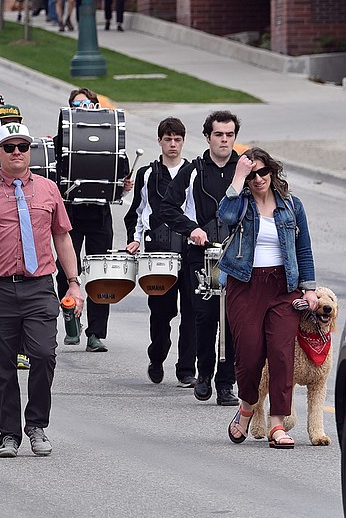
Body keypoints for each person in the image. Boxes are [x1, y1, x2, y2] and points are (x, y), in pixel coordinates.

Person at [0, 122, 85, 458]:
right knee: (2, 364)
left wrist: (74, 282)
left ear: (30, 152)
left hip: (39, 286)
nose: (15, 153)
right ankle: (8, 435)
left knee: (43, 354)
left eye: (22, 147)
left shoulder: (48, 190)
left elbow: (62, 237)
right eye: (8, 147)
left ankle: (36, 424)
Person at [221, 149, 317, 448]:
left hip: (283, 287)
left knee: (280, 354)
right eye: (251, 175)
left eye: (262, 172)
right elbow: (224, 215)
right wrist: (238, 175)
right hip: (245, 284)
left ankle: (278, 424)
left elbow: (303, 248)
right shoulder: (241, 204)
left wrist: (309, 288)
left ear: (272, 172)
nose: (258, 179)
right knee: (249, 356)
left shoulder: (291, 205)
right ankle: (247, 405)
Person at [161, 110, 243, 405]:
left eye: (229, 134)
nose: (224, 140)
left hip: (238, 256)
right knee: (205, 318)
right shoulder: (193, 169)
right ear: (208, 136)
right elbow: (167, 208)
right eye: (218, 134)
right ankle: (204, 375)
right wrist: (192, 229)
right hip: (201, 255)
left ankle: (226, 383)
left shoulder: (244, 170)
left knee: (233, 321)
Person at [55, 87, 131, 353]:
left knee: (100, 275)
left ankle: (96, 333)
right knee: (66, 271)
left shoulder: (109, 138)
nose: (81, 108)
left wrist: (125, 183)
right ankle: (71, 322)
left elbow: (118, 171)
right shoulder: (62, 138)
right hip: (71, 213)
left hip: (99, 214)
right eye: (76, 105)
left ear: (96, 106)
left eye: (86, 104)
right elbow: (54, 170)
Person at [124, 117, 197, 386]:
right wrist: (136, 240)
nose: (173, 144)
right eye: (168, 139)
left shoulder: (194, 172)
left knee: (191, 312)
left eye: (178, 139)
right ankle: (156, 357)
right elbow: (137, 212)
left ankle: (186, 369)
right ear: (159, 141)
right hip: (158, 254)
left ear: (183, 142)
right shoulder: (147, 174)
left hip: (188, 252)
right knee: (161, 313)